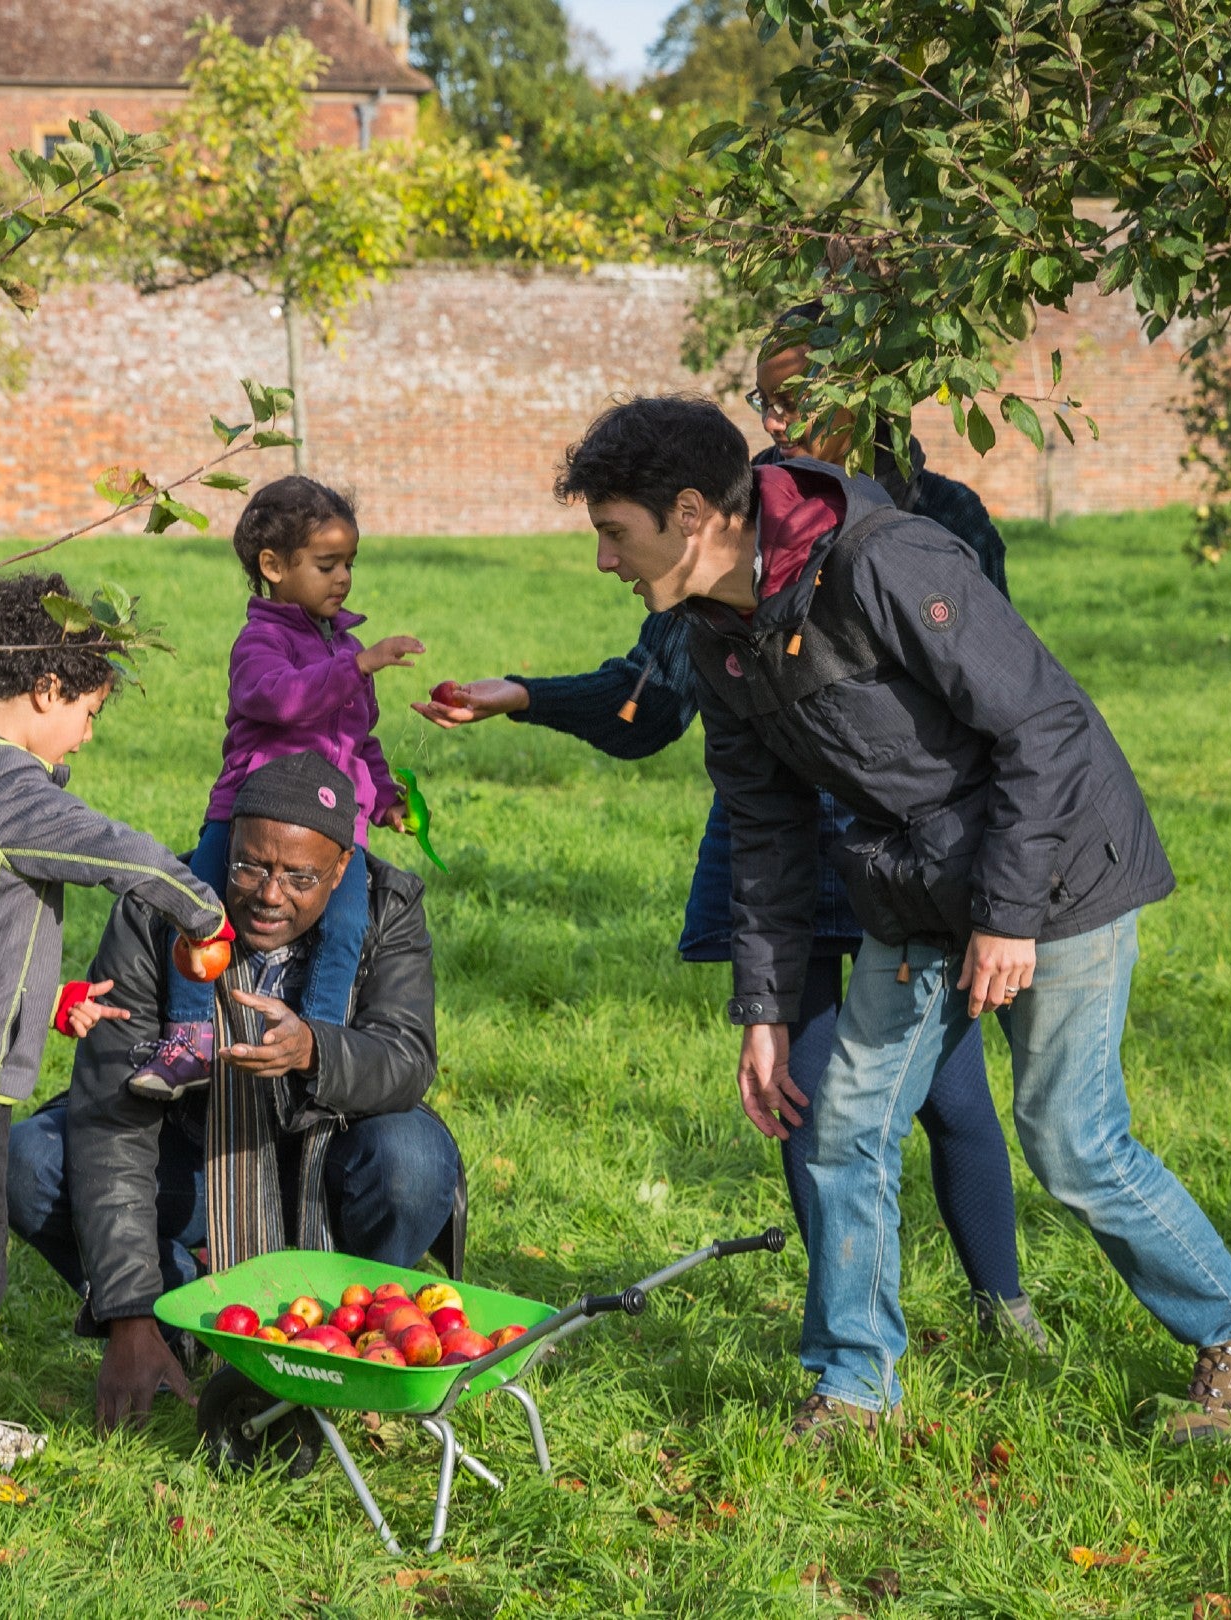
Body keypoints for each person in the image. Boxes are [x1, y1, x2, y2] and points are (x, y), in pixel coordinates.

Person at [555, 393, 1231, 1447]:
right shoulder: (713, 635)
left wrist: (1008, 916)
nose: (603, 560)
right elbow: (767, 829)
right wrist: (766, 1009)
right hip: (915, 886)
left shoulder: (884, 561)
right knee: (843, 1128)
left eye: (612, 532)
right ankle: (855, 1389)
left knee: (1072, 1142)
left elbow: (1043, 726)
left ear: (691, 514)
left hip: (1056, 867)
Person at [414, 317, 1046, 1349]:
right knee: (796, 1083)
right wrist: (521, 696)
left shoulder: (939, 519)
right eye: (769, 398)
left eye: (802, 395)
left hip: (919, 846)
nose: (781, 417)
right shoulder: (719, 525)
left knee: (950, 1089)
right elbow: (649, 704)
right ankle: (841, 1317)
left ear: (872, 397)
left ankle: (1002, 1306)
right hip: (783, 851)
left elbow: (984, 702)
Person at [0, 572, 231, 1479]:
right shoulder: (14, 793)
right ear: (47, 692)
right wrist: (204, 915)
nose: (87, 736)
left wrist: (48, 999)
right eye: (89, 712)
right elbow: (122, 853)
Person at [8, 750, 462, 1429]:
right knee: (27, 1160)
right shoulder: (159, 907)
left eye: (299, 876)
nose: (269, 895)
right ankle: (183, 1313)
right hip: (194, 1154)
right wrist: (129, 1315)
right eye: (250, 865)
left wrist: (314, 1050)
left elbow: (404, 1056)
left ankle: (363, 1327)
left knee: (416, 1162)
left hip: (329, 1158)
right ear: (228, 849)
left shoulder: (387, 907)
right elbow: (113, 1102)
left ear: (340, 869)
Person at [126, 478, 423, 1101]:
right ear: (273, 566)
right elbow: (279, 699)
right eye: (326, 564)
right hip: (245, 814)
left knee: (344, 928)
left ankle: (314, 1042)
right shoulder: (261, 641)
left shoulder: (346, 645)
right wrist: (356, 668)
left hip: (332, 832)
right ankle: (188, 1043)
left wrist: (388, 794)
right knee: (198, 912)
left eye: (349, 563)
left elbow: (361, 737)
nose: (343, 577)